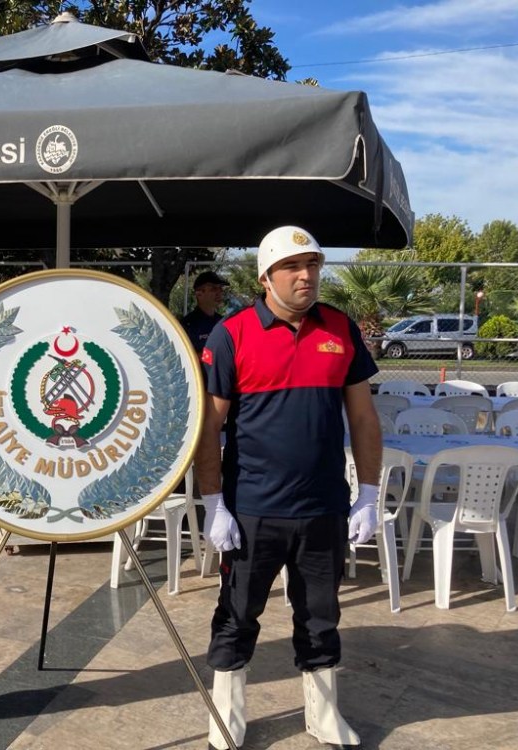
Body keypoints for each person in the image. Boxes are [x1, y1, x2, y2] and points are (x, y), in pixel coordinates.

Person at [196, 226, 381, 749]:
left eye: (313, 265)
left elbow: (363, 417)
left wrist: (369, 493)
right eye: (293, 267)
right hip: (252, 510)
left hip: (323, 508)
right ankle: (227, 719)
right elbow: (209, 426)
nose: (306, 276)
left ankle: (324, 716)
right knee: (236, 615)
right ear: (266, 277)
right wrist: (213, 503)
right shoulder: (231, 334)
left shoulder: (340, 328)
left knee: (321, 616)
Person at [180, 270, 230, 355]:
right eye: (213, 289)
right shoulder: (187, 326)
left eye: (220, 288)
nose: (219, 292)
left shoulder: (224, 323)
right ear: (199, 294)